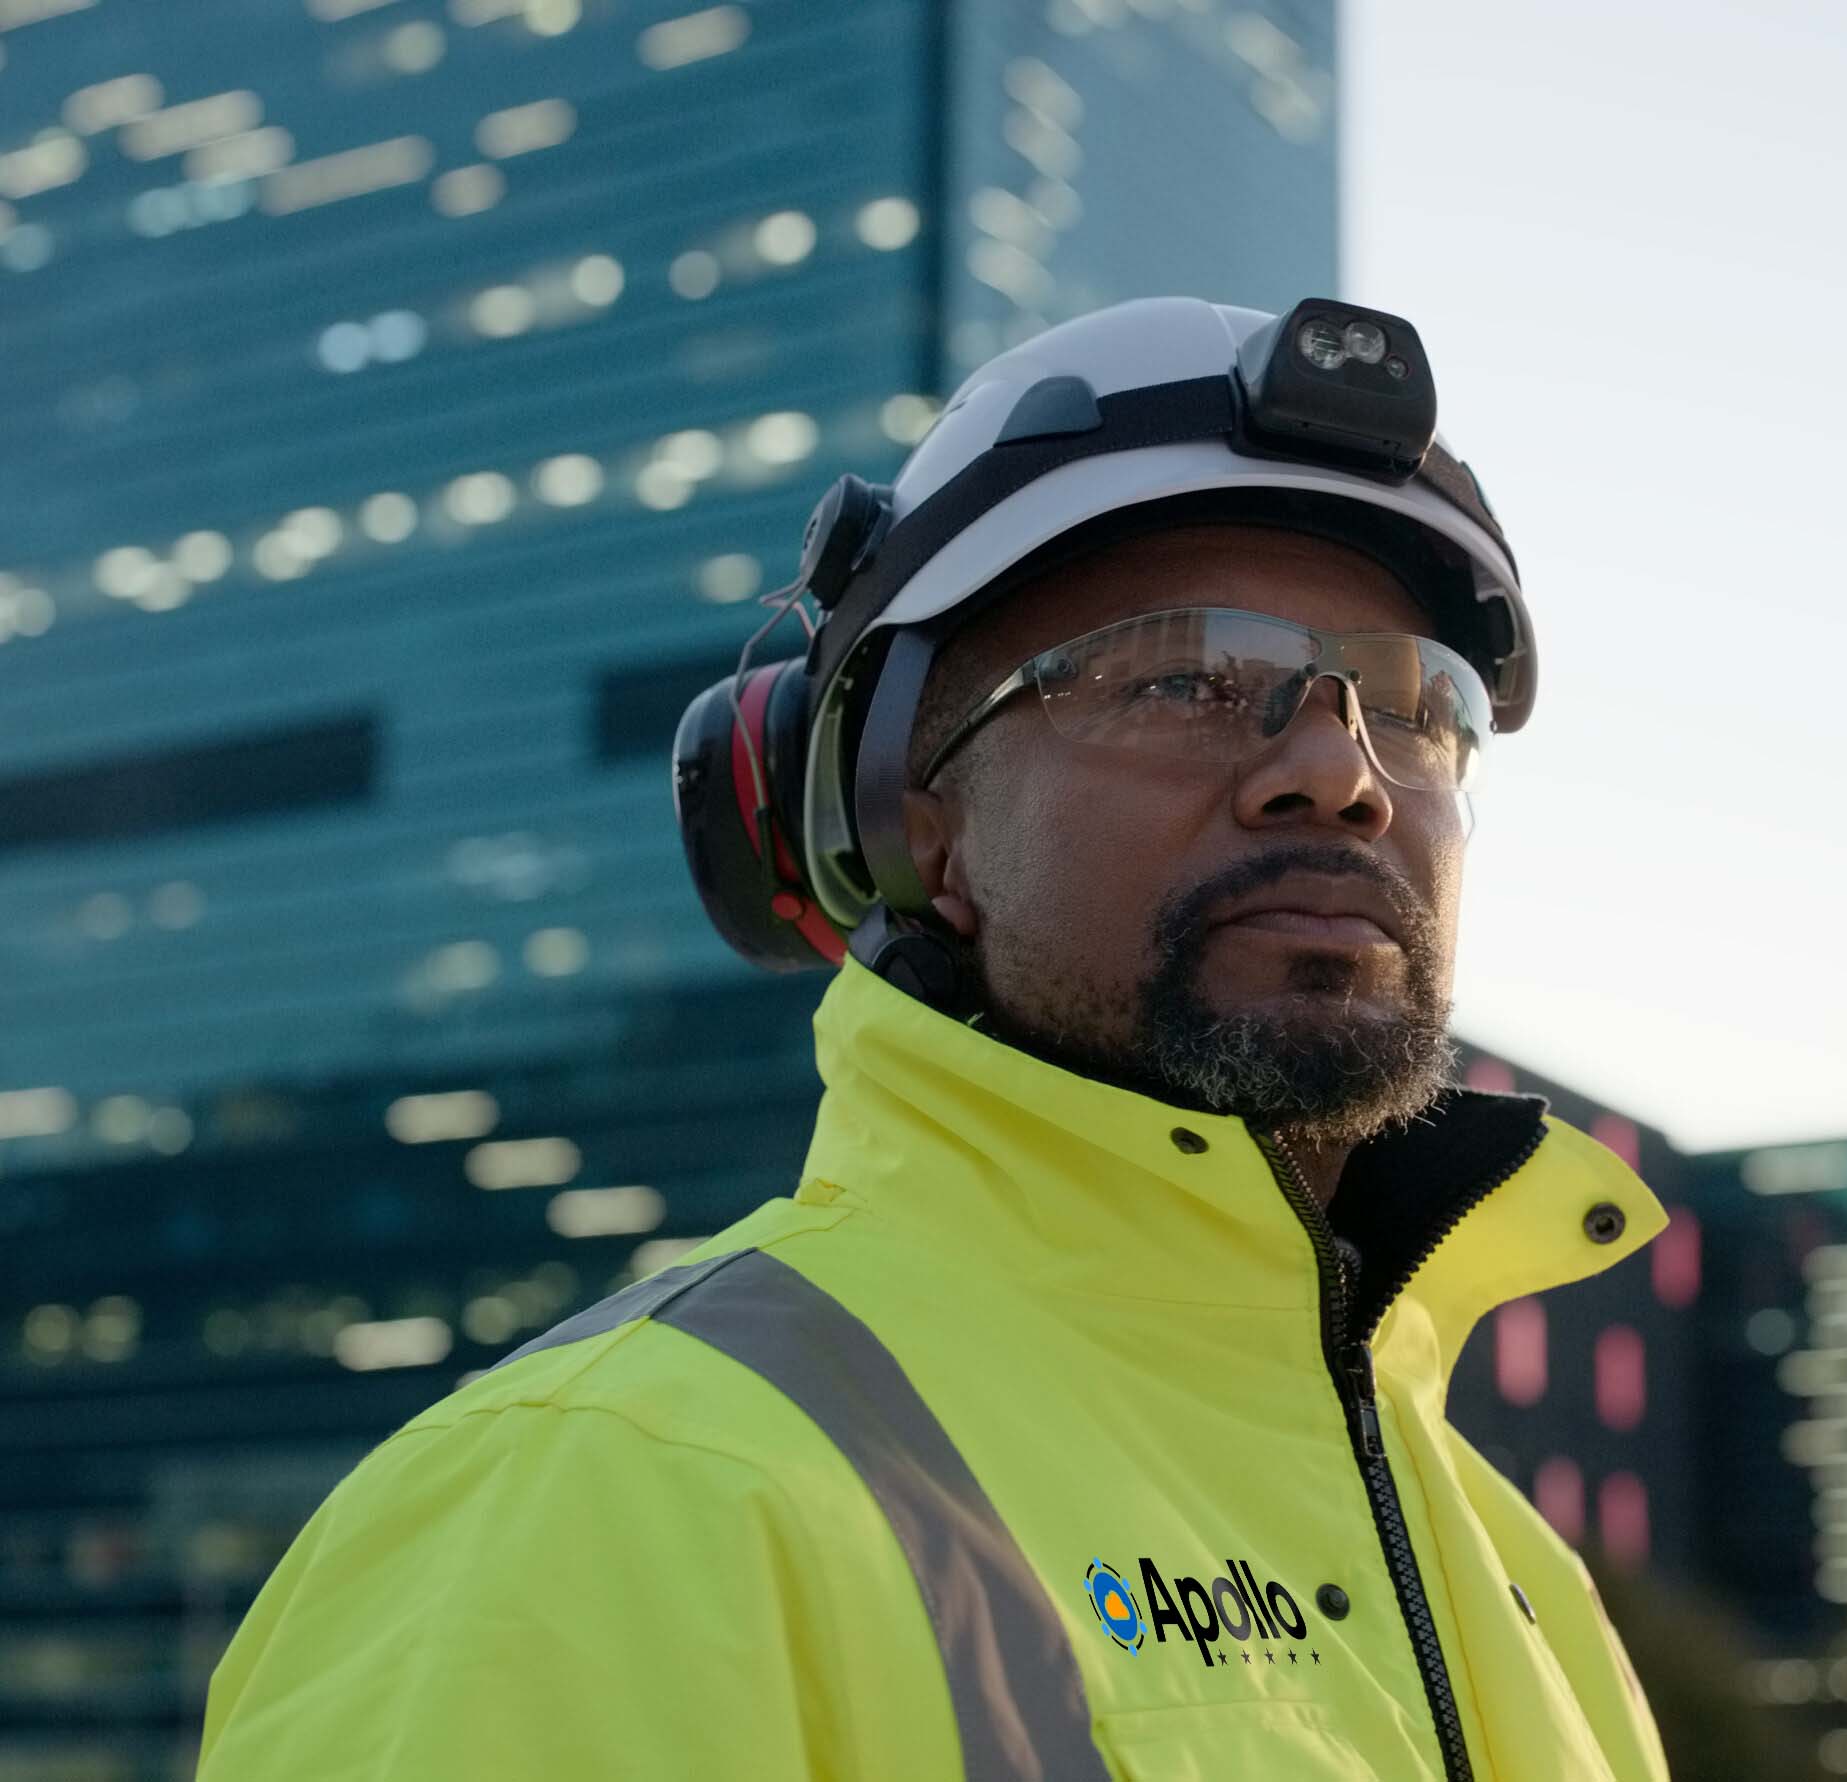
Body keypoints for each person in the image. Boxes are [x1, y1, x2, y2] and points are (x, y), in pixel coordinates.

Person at [196, 298, 1671, 1779]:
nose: (1342, 772)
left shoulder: (1519, 1571)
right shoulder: (609, 1494)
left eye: (1420, 708)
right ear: (917, 824)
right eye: (1184, 676)